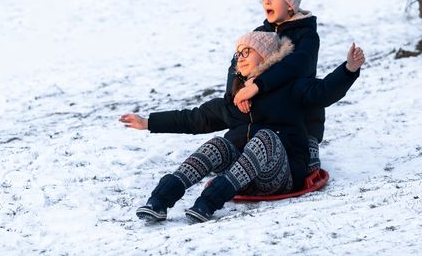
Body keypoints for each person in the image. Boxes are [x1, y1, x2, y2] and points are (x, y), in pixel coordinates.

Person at [120, 31, 365, 223]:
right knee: (218, 144)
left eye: (249, 51)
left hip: (280, 176)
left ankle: (209, 202)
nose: (241, 56)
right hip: (242, 180)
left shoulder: (291, 89)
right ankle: (160, 200)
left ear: (268, 57)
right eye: (239, 53)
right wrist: (148, 122)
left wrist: (349, 69)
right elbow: (193, 119)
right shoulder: (235, 100)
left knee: (266, 138)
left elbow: (322, 92)